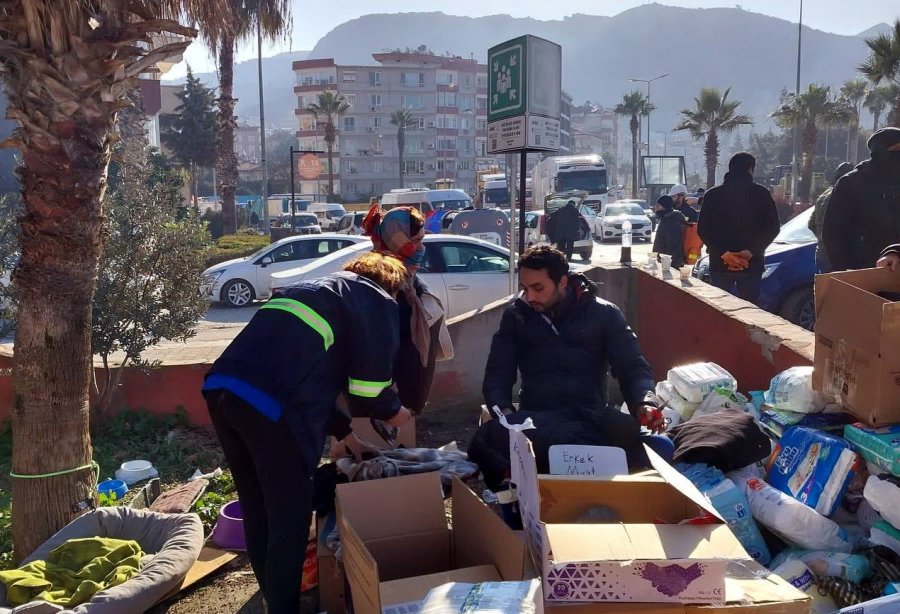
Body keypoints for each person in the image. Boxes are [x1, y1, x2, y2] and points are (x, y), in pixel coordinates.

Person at [202, 253, 412, 614]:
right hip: (272, 406)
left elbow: (301, 370)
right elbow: (368, 388)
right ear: (391, 286)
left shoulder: (312, 290)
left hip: (224, 390)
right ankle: (283, 608)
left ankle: (272, 597)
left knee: (257, 505)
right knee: (290, 517)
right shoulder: (375, 298)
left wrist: (345, 432)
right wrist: (398, 413)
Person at [469, 245, 667, 491]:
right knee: (484, 443)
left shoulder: (603, 314)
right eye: (524, 289)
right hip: (537, 422)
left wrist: (644, 402)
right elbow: (498, 372)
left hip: (590, 417)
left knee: (662, 448)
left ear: (562, 281)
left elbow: (632, 367)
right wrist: (506, 416)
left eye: (538, 288)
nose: (530, 297)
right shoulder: (516, 317)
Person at [697, 152, 780, 304]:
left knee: (719, 309)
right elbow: (773, 228)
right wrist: (750, 252)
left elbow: (703, 229)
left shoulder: (712, 195)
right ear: (750, 169)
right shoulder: (761, 193)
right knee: (749, 312)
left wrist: (724, 253)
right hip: (751, 263)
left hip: (720, 263)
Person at [822, 127, 900, 272]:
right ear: (880, 151)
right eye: (896, 150)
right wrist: (846, 271)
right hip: (864, 273)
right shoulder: (852, 183)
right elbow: (832, 234)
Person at [808, 161, 854, 273]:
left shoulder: (823, 196)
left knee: (825, 288)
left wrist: (822, 238)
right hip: (837, 253)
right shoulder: (842, 195)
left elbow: (811, 224)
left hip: (821, 252)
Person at [651, 195, 686, 269]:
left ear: (665, 207)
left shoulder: (670, 221)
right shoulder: (665, 218)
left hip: (670, 262)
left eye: (658, 205)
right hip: (666, 260)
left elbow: (673, 244)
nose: (655, 208)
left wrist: (666, 262)